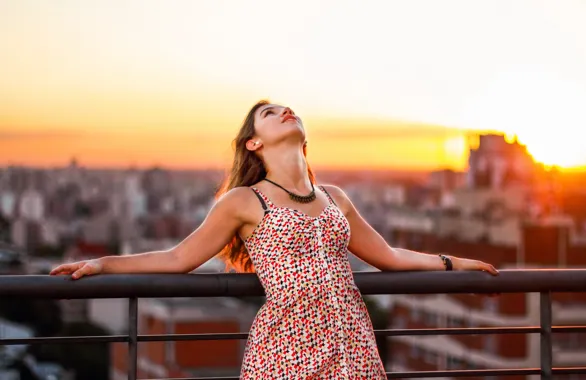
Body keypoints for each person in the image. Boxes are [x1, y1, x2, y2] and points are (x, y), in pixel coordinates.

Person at [50, 100, 499, 379]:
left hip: (353, 344)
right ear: (253, 144)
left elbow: (388, 256)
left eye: (288, 108)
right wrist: (103, 265)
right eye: (270, 113)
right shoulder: (243, 201)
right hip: (286, 344)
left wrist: (453, 262)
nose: (286, 111)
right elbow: (180, 256)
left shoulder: (334, 197)